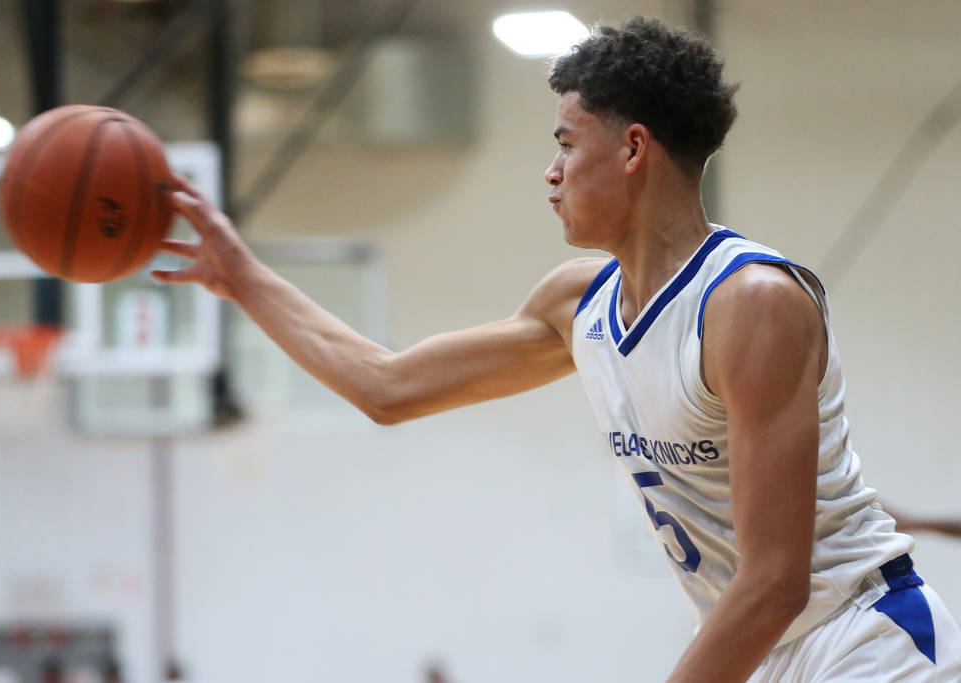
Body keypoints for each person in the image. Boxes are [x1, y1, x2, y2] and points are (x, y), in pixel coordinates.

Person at [152, 16, 961, 682]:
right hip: (771, 656)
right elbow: (386, 386)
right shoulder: (580, 305)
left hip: (868, 641)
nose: (551, 171)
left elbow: (776, 583)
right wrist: (244, 277)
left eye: (567, 144)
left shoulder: (751, 304)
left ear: (634, 150)